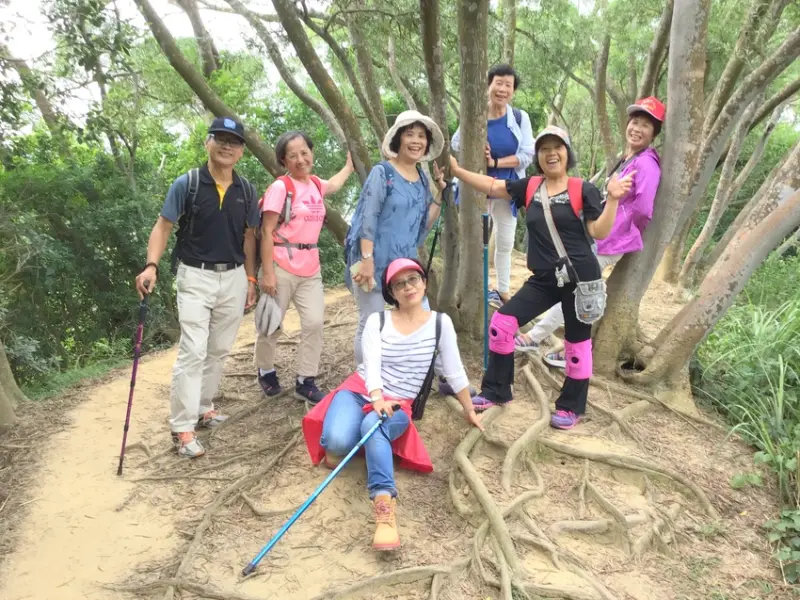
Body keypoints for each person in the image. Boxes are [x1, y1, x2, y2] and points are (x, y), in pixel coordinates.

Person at [449, 126, 634, 429]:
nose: (551, 153)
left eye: (557, 147)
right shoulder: (530, 187)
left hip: (580, 279)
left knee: (576, 346)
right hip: (545, 278)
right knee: (502, 324)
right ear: (537, 156)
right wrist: (459, 171)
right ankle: (497, 390)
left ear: (567, 152)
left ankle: (571, 407)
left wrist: (612, 199)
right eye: (544, 148)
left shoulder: (582, 188)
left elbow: (598, 232)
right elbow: (494, 186)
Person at [302, 258, 483, 551]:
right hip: (361, 390)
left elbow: (453, 370)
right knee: (334, 445)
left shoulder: (441, 323)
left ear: (424, 282)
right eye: (399, 283)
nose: (408, 287)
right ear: (391, 292)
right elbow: (370, 364)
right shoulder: (379, 320)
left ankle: (384, 507)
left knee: (372, 426)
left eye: (413, 279)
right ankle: (360, 443)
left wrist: (469, 409)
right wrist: (376, 398)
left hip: (398, 403)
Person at [135, 117, 260, 458]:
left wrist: (251, 279)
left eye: (233, 141)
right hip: (194, 275)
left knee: (219, 348)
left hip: (233, 276)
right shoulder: (187, 183)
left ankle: (204, 406)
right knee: (193, 349)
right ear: (207, 143)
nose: (226, 145)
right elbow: (163, 227)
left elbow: (250, 237)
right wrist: (151, 266)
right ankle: (182, 426)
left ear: (242, 151)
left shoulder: (247, 190)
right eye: (219, 138)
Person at [516, 97, 664, 366]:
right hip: (599, 236)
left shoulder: (647, 165)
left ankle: (540, 338)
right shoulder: (629, 158)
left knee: (578, 291)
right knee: (575, 288)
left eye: (645, 125)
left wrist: (626, 229)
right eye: (634, 122)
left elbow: (643, 209)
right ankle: (558, 342)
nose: (637, 128)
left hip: (612, 239)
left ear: (654, 133)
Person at [255, 131, 355, 403]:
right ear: (283, 161)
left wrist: (349, 166)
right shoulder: (280, 187)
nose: (300, 159)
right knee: (271, 324)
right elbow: (266, 231)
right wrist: (268, 272)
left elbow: (333, 185)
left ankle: (305, 380)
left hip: (310, 267)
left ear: (311, 153)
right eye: (292, 155)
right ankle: (265, 370)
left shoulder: (315, 185)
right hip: (280, 263)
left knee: (313, 323)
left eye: (304, 152)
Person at [344, 110, 446, 366]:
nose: (416, 141)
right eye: (410, 134)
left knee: (419, 319)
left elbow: (421, 223)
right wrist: (367, 260)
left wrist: (439, 195)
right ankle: (365, 379)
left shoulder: (422, 179)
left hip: (404, 264)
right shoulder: (383, 173)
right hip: (371, 261)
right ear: (398, 140)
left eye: (421, 136)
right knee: (371, 323)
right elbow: (368, 217)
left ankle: (429, 374)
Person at [452, 64, 535, 309]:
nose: (502, 89)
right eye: (498, 83)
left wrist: (495, 161)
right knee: (475, 238)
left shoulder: (520, 118)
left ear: (513, 91)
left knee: (506, 239)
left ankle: (503, 290)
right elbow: (457, 143)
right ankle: (474, 288)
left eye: (508, 85)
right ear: (488, 85)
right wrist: (475, 148)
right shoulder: (476, 114)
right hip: (476, 185)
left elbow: (528, 154)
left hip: (507, 186)